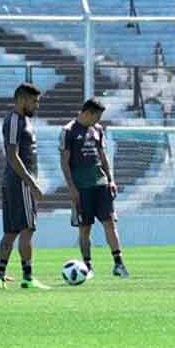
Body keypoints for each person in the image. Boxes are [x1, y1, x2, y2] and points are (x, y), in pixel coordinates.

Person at [59, 98, 130, 279]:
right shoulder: (68, 131)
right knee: (85, 229)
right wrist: (72, 188)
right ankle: (88, 267)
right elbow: (65, 163)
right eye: (97, 116)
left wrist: (111, 180)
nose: (98, 120)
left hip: (101, 184)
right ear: (88, 113)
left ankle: (118, 264)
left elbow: (103, 156)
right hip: (81, 188)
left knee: (110, 223)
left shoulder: (97, 130)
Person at [0, 83, 50, 290]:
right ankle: (28, 277)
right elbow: (12, 154)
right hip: (19, 183)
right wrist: (31, 182)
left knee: (11, 231)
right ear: (22, 100)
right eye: (34, 101)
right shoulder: (14, 120)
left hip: (16, 182)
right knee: (27, 229)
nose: (37, 105)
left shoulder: (23, 120)